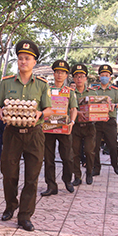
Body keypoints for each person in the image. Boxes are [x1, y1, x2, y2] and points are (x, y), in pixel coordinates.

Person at [0, 39, 52, 232]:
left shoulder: (42, 85)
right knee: (9, 174)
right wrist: (3, 113)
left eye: (27, 59)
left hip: (34, 134)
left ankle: (25, 216)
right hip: (12, 133)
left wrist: (40, 114)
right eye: (20, 58)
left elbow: (49, 109)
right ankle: (11, 205)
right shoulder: (6, 82)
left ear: (34, 62)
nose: (23, 62)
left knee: (32, 176)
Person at [41, 60, 78, 196]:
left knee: (68, 157)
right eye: (57, 72)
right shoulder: (47, 90)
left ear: (66, 75)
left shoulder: (69, 92)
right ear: (54, 74)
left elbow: (73, 109)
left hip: (64, 127)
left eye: (62, 72)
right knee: (48, 158)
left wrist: (72, 123)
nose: (59, 75)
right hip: (49, 128)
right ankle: (51, 185)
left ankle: (67, 179)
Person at [92, 64, 118, 176]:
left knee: (113, 145)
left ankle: (115, 165)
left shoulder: (115, 90)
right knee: (94, 146)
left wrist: (114, 105)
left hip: (109, 121)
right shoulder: (94, 89)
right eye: (102, 75)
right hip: (96, 121)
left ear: (110, 77)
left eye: (107, 75)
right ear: (99, 77)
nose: (104, 77)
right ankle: (96, 167)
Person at [71, 64, 98, 186]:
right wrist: (77, 113)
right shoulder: (70, 93)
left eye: (81, 76)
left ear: (86, 78)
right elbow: (64, 109)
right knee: (75, 152)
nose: (79, 79)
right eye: (76, 76)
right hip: (75, 127)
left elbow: (99, 108)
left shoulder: (93, 93)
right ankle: (77, 176)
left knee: (89, 151)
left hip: (89, 127)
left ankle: (89, 172)